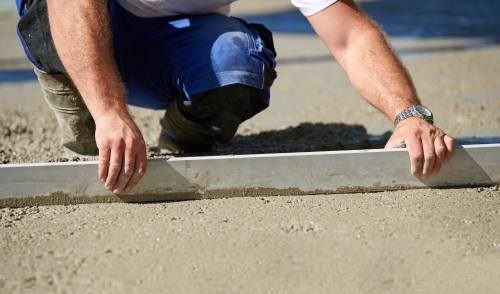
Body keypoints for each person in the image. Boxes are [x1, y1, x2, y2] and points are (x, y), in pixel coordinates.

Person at [15, 0, 454, 195]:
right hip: (84, 29)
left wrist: (409, 115)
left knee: (240, 59)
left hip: (171, 54)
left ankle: (186, 128)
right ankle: (82, 111)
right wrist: (110, 111)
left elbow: (351, 37)